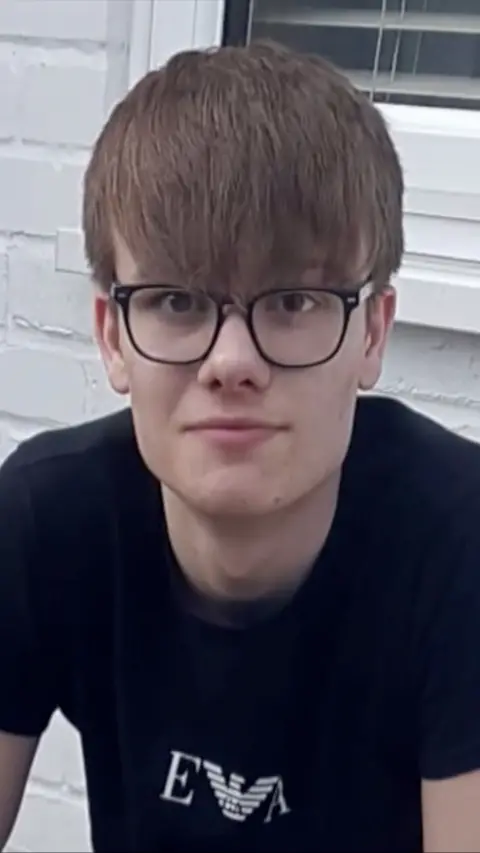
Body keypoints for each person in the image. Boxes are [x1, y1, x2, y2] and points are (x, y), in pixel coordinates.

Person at [1, 39, 480, 853]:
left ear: (372, 332)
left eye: (292, 301)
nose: (230, 362)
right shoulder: (48, 521)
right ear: (112, 336)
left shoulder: (459, 546)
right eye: (178, 301)